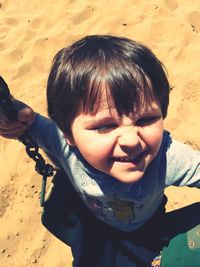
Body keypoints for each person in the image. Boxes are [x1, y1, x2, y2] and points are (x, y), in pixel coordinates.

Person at [0, 35, 200, 267]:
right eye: (105, 126)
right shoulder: (62, 145)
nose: (130, 139)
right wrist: (12, 114)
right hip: (91, 225)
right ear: (69, 135)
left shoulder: (166, 158)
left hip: (146, 228)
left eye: (146, 120)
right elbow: (28, 123)